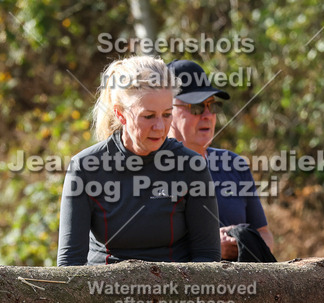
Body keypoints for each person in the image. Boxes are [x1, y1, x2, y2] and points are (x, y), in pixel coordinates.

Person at [57, 56, 220, 266]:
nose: (160, 127)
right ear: (120, 114)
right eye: (149, 116)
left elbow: (207, 257)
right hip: (103, 291)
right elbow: (70, 263)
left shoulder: (191, 166)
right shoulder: (85, 168)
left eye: (167, 114)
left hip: (175, 293)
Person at [167, 59, 275, 262]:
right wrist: (209, 248)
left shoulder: (234, 165)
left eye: (212, 105)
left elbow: (265, 235)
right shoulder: (149, 169)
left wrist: (243, 243)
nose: (207, 115)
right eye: (197, 107)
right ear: (168, 110)